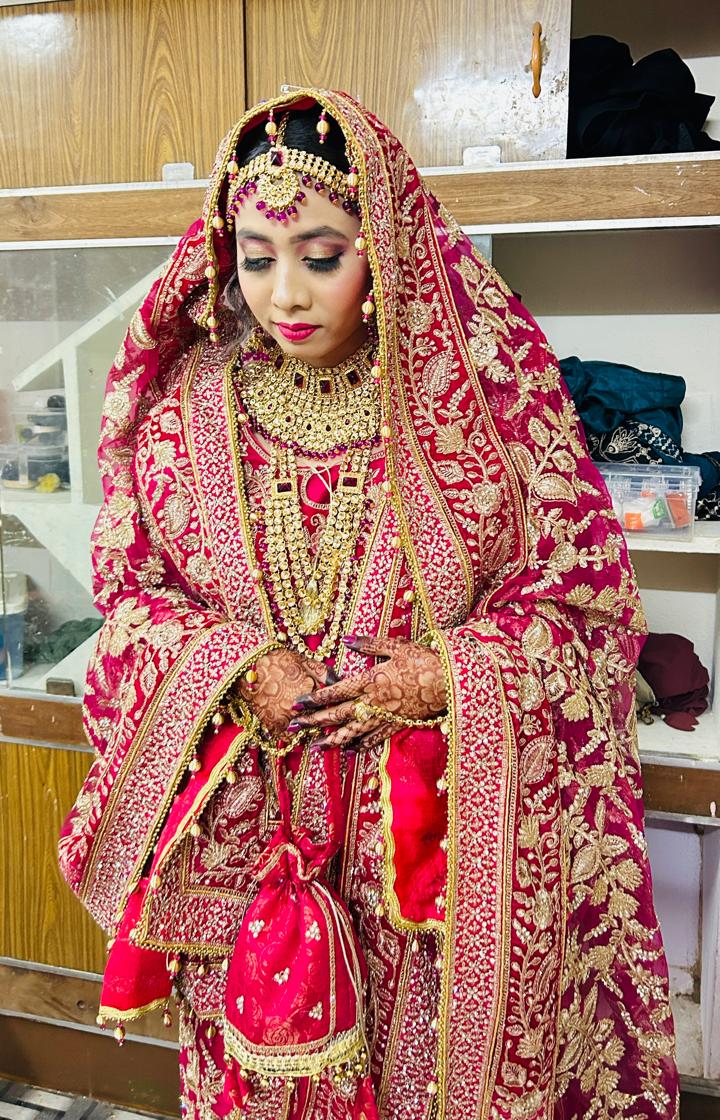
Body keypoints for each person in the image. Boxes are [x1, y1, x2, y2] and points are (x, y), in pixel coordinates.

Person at [59, 88, 679, 1120]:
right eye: (256, 257)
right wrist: (238, 664)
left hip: (426, 864)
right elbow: (131, 600)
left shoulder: (475, 412)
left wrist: (444, 672)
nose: (284, 294)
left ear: (382, 250)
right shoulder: (185, 411)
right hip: (250, 856)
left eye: (320, 255)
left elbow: (582, 609)